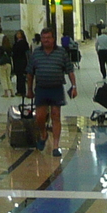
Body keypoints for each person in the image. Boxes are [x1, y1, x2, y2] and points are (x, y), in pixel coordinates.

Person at [28, 27, 77, 157]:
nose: (46, 40)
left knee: (56, 115)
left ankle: (56, 146)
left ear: (53, 39)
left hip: (56, 88)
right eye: (43, 38)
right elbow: (30, 72)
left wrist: (74, 86)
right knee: (39, 117)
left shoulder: (61, 53)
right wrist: (29, 90)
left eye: (48, 38)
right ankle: (43, 134)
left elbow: (70, 70)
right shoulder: (36, 53)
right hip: (41, 89)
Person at [10, 31, 30, 97]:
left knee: (21, 77)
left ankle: (22, 91)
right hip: (18, 62)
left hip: (21, 61)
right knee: (19, 77)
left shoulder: (22, 43)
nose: (17, 35)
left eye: (19, 34)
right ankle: (19, 90)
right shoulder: (18, 43)